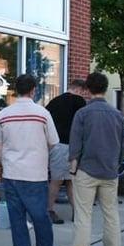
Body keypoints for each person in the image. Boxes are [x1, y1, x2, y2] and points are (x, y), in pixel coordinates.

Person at [0, 74, 60, 246]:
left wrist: (5, 160)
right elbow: (53, 142)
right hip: (35, 174)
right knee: (40, 216)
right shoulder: (42, 113)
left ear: (15, 90)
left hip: (11, 173)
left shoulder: (4, 114)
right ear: (33, 90)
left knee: (17, 218)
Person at [59, 72, 124, 246]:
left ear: (87, 89)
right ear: (105, 89)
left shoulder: (83, 113)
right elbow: (122, 146)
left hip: (86, 171)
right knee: (111, 215)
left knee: (83, 217)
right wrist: (117, 165)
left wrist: (73, 169)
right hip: (110, 172)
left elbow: (75, 145)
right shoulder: (117, 115)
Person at [45, 79, 88, 224]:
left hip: (55, 145)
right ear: (80, 90)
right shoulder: (80, 102)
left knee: (60, 180)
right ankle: (51, 210)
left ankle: (68, 210)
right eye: (83, 92)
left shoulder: (54, 101)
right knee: (66, 181)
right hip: (72, 146)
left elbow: (45, 123)